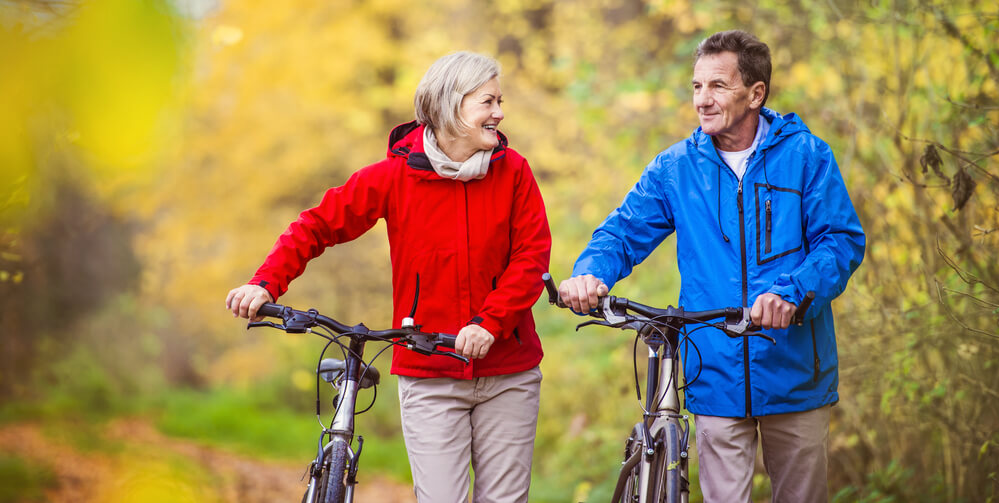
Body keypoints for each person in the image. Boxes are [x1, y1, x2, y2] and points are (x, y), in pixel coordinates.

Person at [226, 51, 551, 503]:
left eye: (500, 101)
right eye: (488, 102)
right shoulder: (394, 177)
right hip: (429, 373)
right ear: (450, 105)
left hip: (508, 372)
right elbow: (318, 225)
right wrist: (264, 283)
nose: (499, 113)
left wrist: (490, 323)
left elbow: (531, 258)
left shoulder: (513, 172)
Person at [559, 30, 865, 502]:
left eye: (717, 86)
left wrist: (793, 290)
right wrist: (590, 272)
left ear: (755, 93)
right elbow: (621, 233)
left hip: (796, 368)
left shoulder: (806, 156)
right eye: (697, 86)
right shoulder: (675, 167)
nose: (702, 99)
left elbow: (840, 242)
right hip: (714, 371)